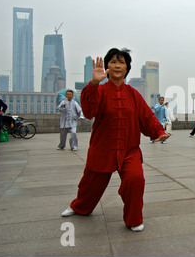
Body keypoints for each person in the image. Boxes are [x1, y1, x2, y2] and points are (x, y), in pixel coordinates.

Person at [61, 48, 170, 232]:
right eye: (112, 61)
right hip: (103, 149)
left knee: (136, 180)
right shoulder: (99, 91)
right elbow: (88, 112)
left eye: (121, 62)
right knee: (90, 184)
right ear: (107, 67)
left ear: (127, 68)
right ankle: (79, 206)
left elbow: (147, 117)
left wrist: (159, 131)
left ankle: (134, 219)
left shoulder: (133, 94)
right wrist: (93, 84)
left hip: (129, 150)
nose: (117, 65)